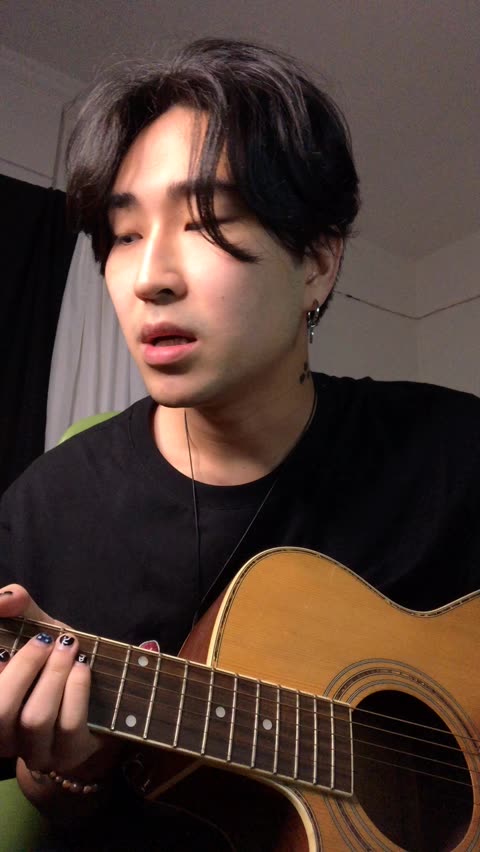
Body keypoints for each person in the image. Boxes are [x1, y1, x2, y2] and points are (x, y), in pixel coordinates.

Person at [0, 36, 479, 850]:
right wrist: (65, 780)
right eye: (123, 234)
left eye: (205, 221)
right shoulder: (46, 511)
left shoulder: (456, 454)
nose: (149, 276)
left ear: (317, 263)